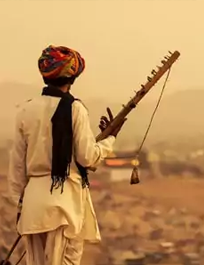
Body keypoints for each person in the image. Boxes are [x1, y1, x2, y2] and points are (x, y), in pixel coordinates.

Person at [7, 45, 126, 265]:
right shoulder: (76, 109)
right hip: (65, 206)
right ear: (73, 76)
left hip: (33, 208)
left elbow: (16, 172)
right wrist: (110, 139)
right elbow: (87, 157)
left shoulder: (25, 111)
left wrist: (24, 207)